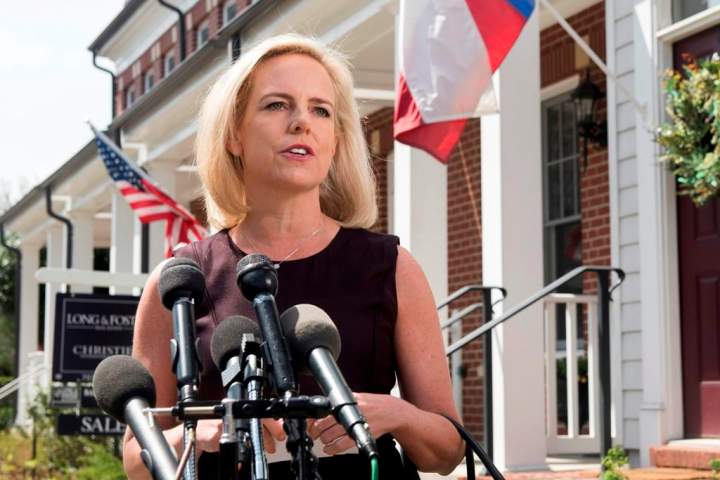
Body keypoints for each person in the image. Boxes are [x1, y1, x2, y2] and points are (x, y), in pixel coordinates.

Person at [123, 33, 464, 479]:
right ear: (233, 136)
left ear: (335, 141)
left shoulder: (391, 267)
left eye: (320, 110)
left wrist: (397, 415)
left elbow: (447, 453)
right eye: (277, 105)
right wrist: (199, 434)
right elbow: (136, 461)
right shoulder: (180, 281)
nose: (302, 122)